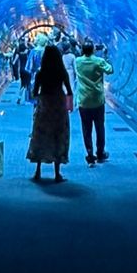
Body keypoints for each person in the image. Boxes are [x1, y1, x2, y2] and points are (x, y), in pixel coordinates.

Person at [26, 43, 72, 182]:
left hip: (44, 107)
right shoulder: (62, 72)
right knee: (58, 136)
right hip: (59, 107)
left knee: (41, 136)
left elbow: (35, 93)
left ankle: (38, 171)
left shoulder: (40, 73)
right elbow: (69, 91)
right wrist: (68, 104)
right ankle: (57, 173)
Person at [75, 41, 113, 166]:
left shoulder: (78, 61)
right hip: (97, 100)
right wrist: (106, 56)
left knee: (86, 129)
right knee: (99, 127)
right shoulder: (98, 61)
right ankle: (100, 153)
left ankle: (90, 154)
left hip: (83, 100)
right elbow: (110, 70)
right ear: (93, 50)